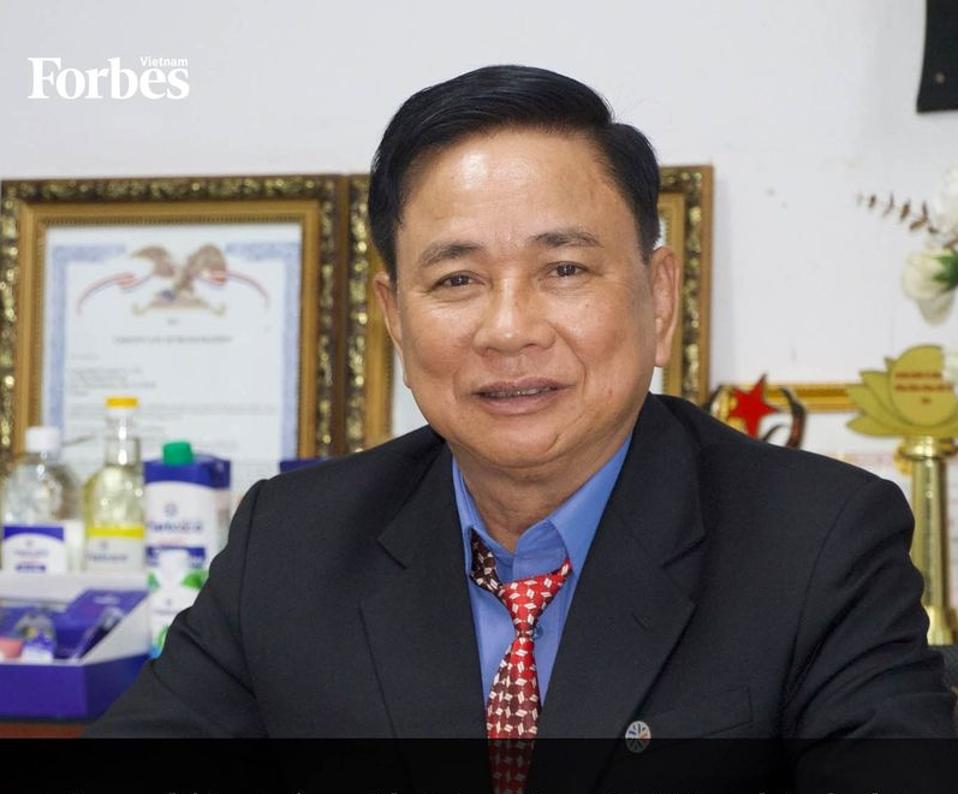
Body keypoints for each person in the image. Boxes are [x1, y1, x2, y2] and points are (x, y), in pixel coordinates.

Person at [87, 64, 956, 787]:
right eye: (457, 280)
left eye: (564, 267)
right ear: (393, 314)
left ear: (659, 294)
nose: (509, 328)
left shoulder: (816, 541)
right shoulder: (294, 542)